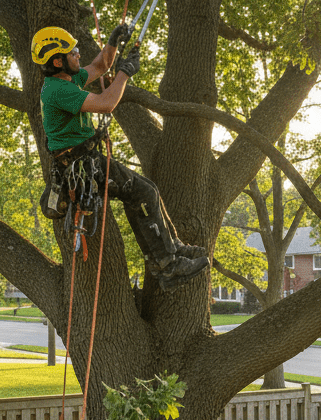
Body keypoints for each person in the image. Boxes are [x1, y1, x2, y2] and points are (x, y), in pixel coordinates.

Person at [32, 25, 209, 292]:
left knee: (148, 190)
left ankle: (172, 248)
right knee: (142, 193)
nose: (78, 55)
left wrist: (113, 43)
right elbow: (106, 103)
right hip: (80, 168)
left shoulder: (68, 78)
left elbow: (99, 66)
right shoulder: (57, 90)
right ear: (58, 61)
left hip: (86, 160)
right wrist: (125, 73)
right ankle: (167, 266)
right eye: (73, 52)